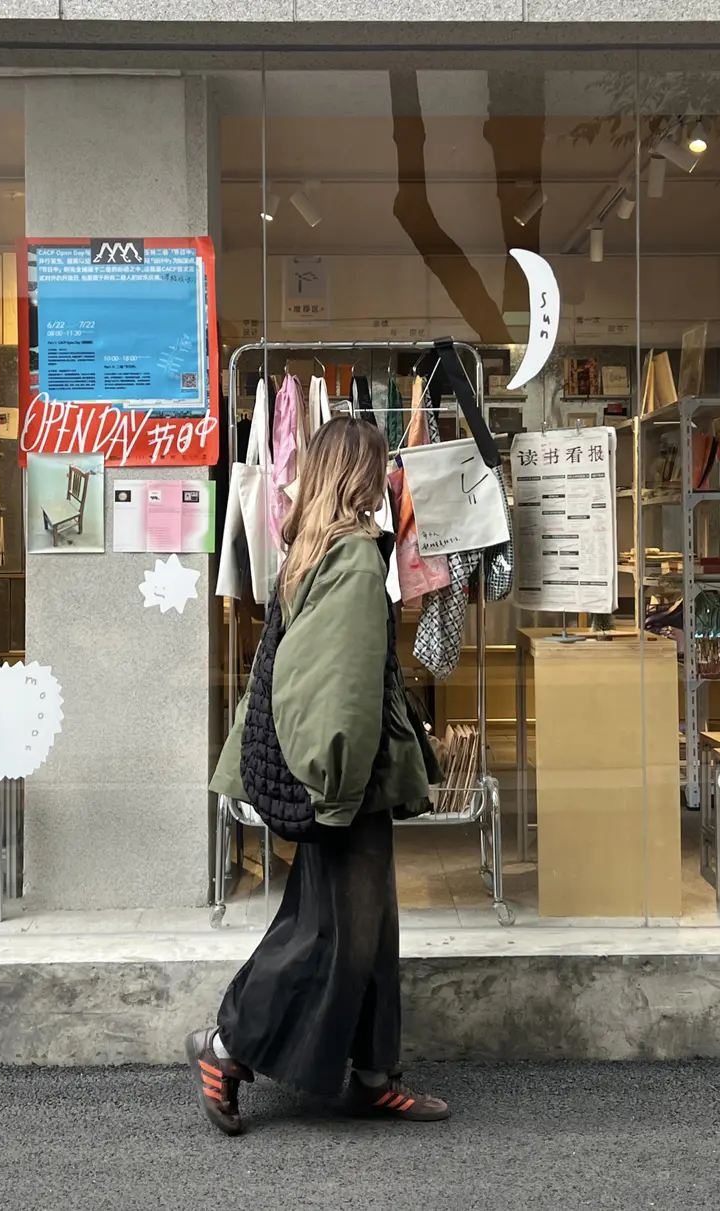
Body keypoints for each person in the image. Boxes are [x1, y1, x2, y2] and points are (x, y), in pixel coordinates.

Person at [187, 415, 449, 1135]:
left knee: (361, 927)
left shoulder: (310, 547)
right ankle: (226, 1045)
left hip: (341, 777)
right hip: (345, 784)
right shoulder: (356, 559)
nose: (390, 477)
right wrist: (335, 787)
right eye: (382, 466)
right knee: (337, 934)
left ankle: (373, 1075)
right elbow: (338, 686)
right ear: (362, 474)